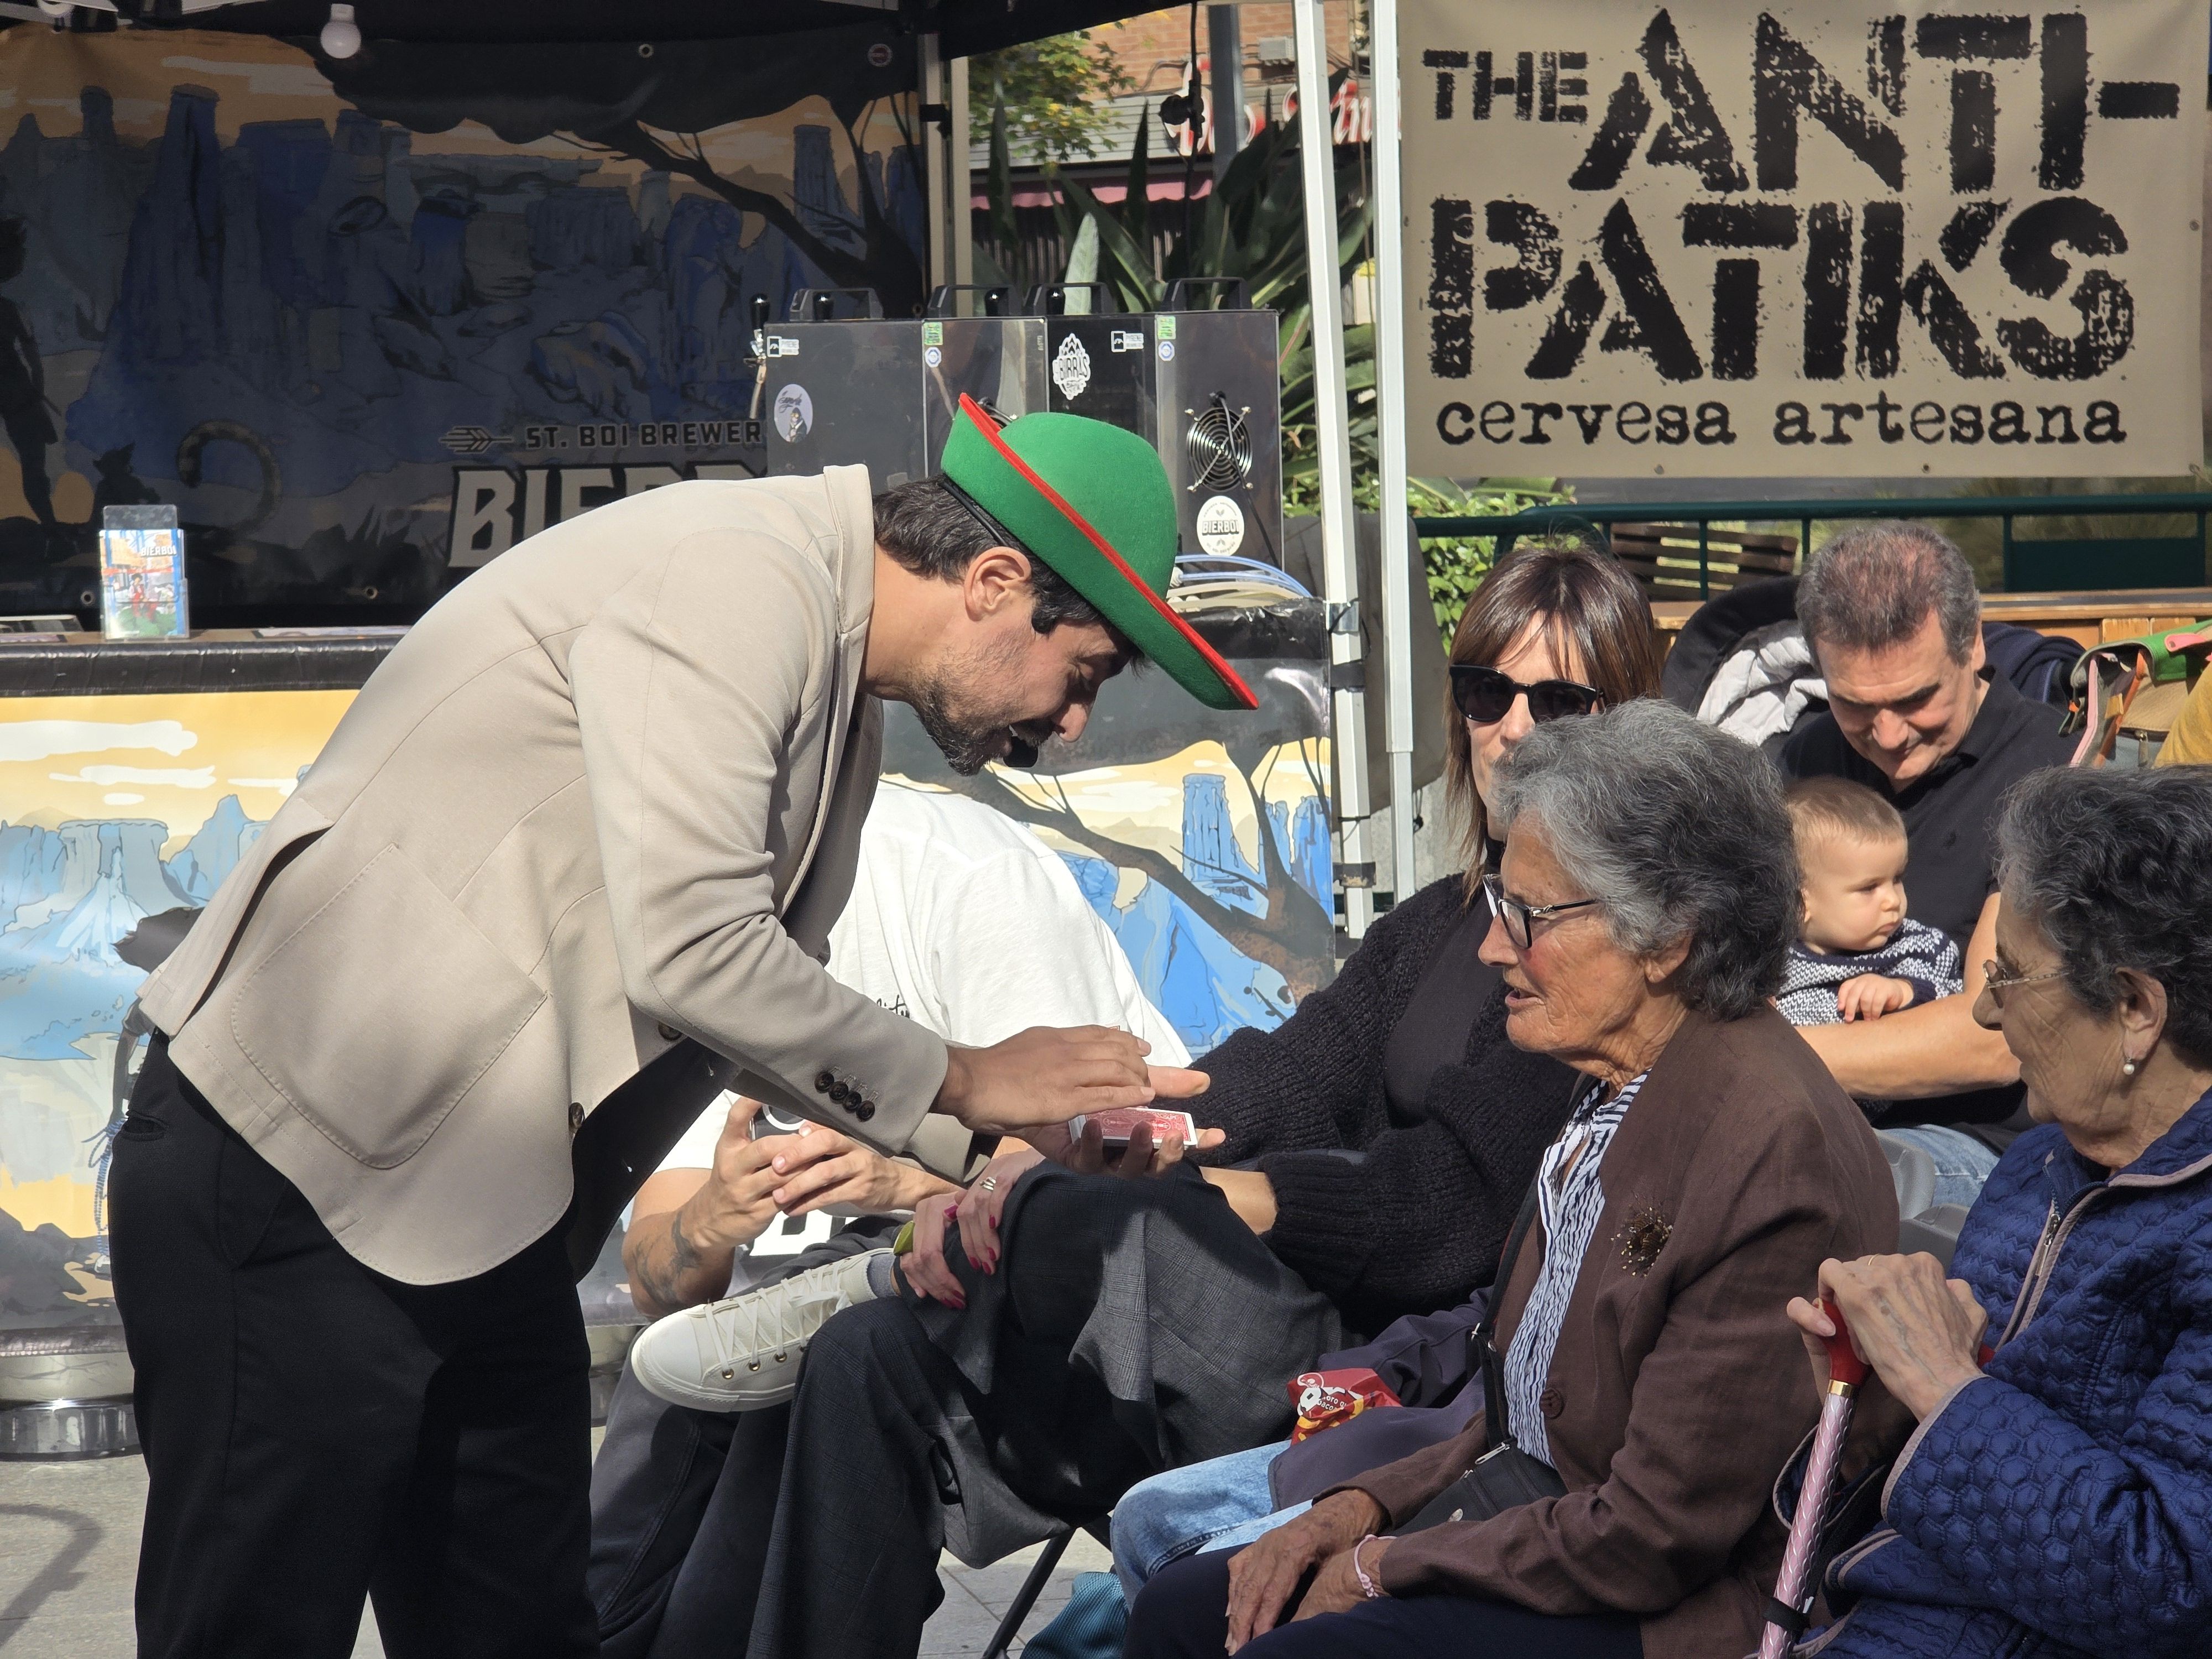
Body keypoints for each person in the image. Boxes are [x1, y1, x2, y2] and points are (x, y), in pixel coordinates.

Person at [105, 400, 1237, 1659]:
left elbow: (746, 1003)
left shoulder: (828, 656)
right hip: (295, 1175)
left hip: (473, 1219)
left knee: (525, 1628)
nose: (1071, 721)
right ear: (992, 582)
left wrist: (991, 1146)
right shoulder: (739, 577)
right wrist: (969, 1077)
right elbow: (697, 951)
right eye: (1081, 673)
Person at [619, 538, 1665, 1659]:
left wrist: (1200, 1186)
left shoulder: (1610, 955)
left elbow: (1442, 1218)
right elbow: (1282, 1071)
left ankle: (903, 1263)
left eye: (1556, 700)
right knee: (861, 1363)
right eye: (1483, 690)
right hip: (1233, 1344)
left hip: (1389, 1377)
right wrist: (1112, 1127)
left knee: (1104, 1221)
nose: (1510, 726)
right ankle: (882, 1294)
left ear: (1627, 724)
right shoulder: (1433, 925)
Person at [1124, 700, 1896, 1659]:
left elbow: (1650, 1539)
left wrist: (1385, 1566)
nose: (1494, 948)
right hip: (1544, 1525)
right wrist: (1354, 1510)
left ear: (1668, 939)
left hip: (1653, 1612)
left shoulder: (1769, 1154)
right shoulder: (1615, 1089)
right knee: (1183, 1611)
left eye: (1528, 917)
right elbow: (1522, 1409)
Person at [589, 779, 1187, 1657]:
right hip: (805, 1292)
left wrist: (904, 1182)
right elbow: (653, 1274)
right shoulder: (691, 939)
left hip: (1054, 1285)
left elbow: (1069, 1174)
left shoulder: (966, 878)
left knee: (807, 1362)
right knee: (669, 1370)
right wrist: (713, 1220)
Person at [1782, 765, 2212, 1657]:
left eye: (2011, 975)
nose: (1982, 1010)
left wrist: (1940, 1381)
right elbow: (1862, 1523)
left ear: (2135, 1008)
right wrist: (1864, 1405)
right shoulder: (2036, 1170)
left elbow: (2165, 1584)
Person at [1780, 521, 2074, 1195]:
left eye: (1915, 699)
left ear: (1971, 646)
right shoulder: (1804, 759)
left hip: (1979, 1148)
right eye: (1853, 703)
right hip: (1806, 1113)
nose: (1887, 736)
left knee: (1778, 1184)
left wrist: (1738, 1058)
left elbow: (1993, 1033)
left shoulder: (2050, 771)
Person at [1775, 778, 1963, 1029]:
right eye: (1869, 888)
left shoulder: (1919, 948)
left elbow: (1962, 1004)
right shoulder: (1775, 968)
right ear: (1800, 904)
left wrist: (1904, 991)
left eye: (1897, 879)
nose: (1893, 900)